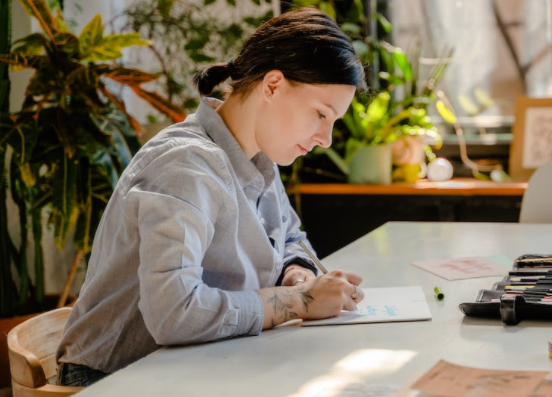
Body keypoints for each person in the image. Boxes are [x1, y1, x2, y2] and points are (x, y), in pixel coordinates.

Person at [56, 8, 367, 387]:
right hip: (114, 380)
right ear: (272, 86)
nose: (326, 139)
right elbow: (174, 311)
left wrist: (294, 272)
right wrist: (298, 302)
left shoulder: (259, 157)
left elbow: (289, 237)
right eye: (320, 114)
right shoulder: (185, 167)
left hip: (196, 365)